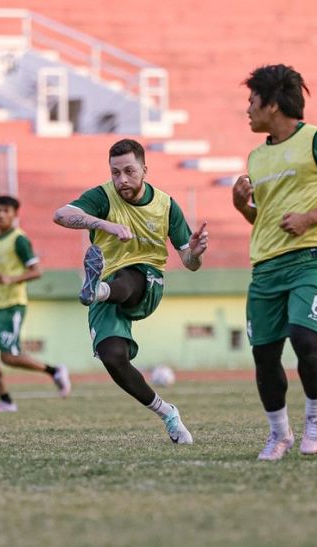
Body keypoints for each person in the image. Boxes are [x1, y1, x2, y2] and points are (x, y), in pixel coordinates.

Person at [232, 65, 317, 461]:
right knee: (264, 354)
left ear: (272, 104)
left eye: (252, 102)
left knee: (304, 338)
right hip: (266, 266)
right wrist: (243, 207)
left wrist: (310, 218)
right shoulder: (256, 157)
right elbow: (264, 220)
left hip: (312, 256)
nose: (248, 111)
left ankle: (315, 418)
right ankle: (279, 434)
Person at [53, 139, 209, 444]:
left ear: (145, 169)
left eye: (128, 171)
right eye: (115, 172)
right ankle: (168, 413)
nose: (121, 180)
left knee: (129, 276)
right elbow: (60, 215)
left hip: (146, 282)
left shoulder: (165, 205)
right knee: (113, 357)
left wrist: (197, 252)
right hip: (106, 282)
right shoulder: (103, 197)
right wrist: (105, 225)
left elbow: (189, 263)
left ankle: (97, 289)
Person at [0, 195, 71, 412]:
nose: (0, 215)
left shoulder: (19, 240)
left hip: (12, 306)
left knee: (8, 357)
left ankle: (54, 371)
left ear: (15, 214)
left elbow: (37, 271)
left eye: (5, 211)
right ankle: (6, 400)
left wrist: (12, 279)